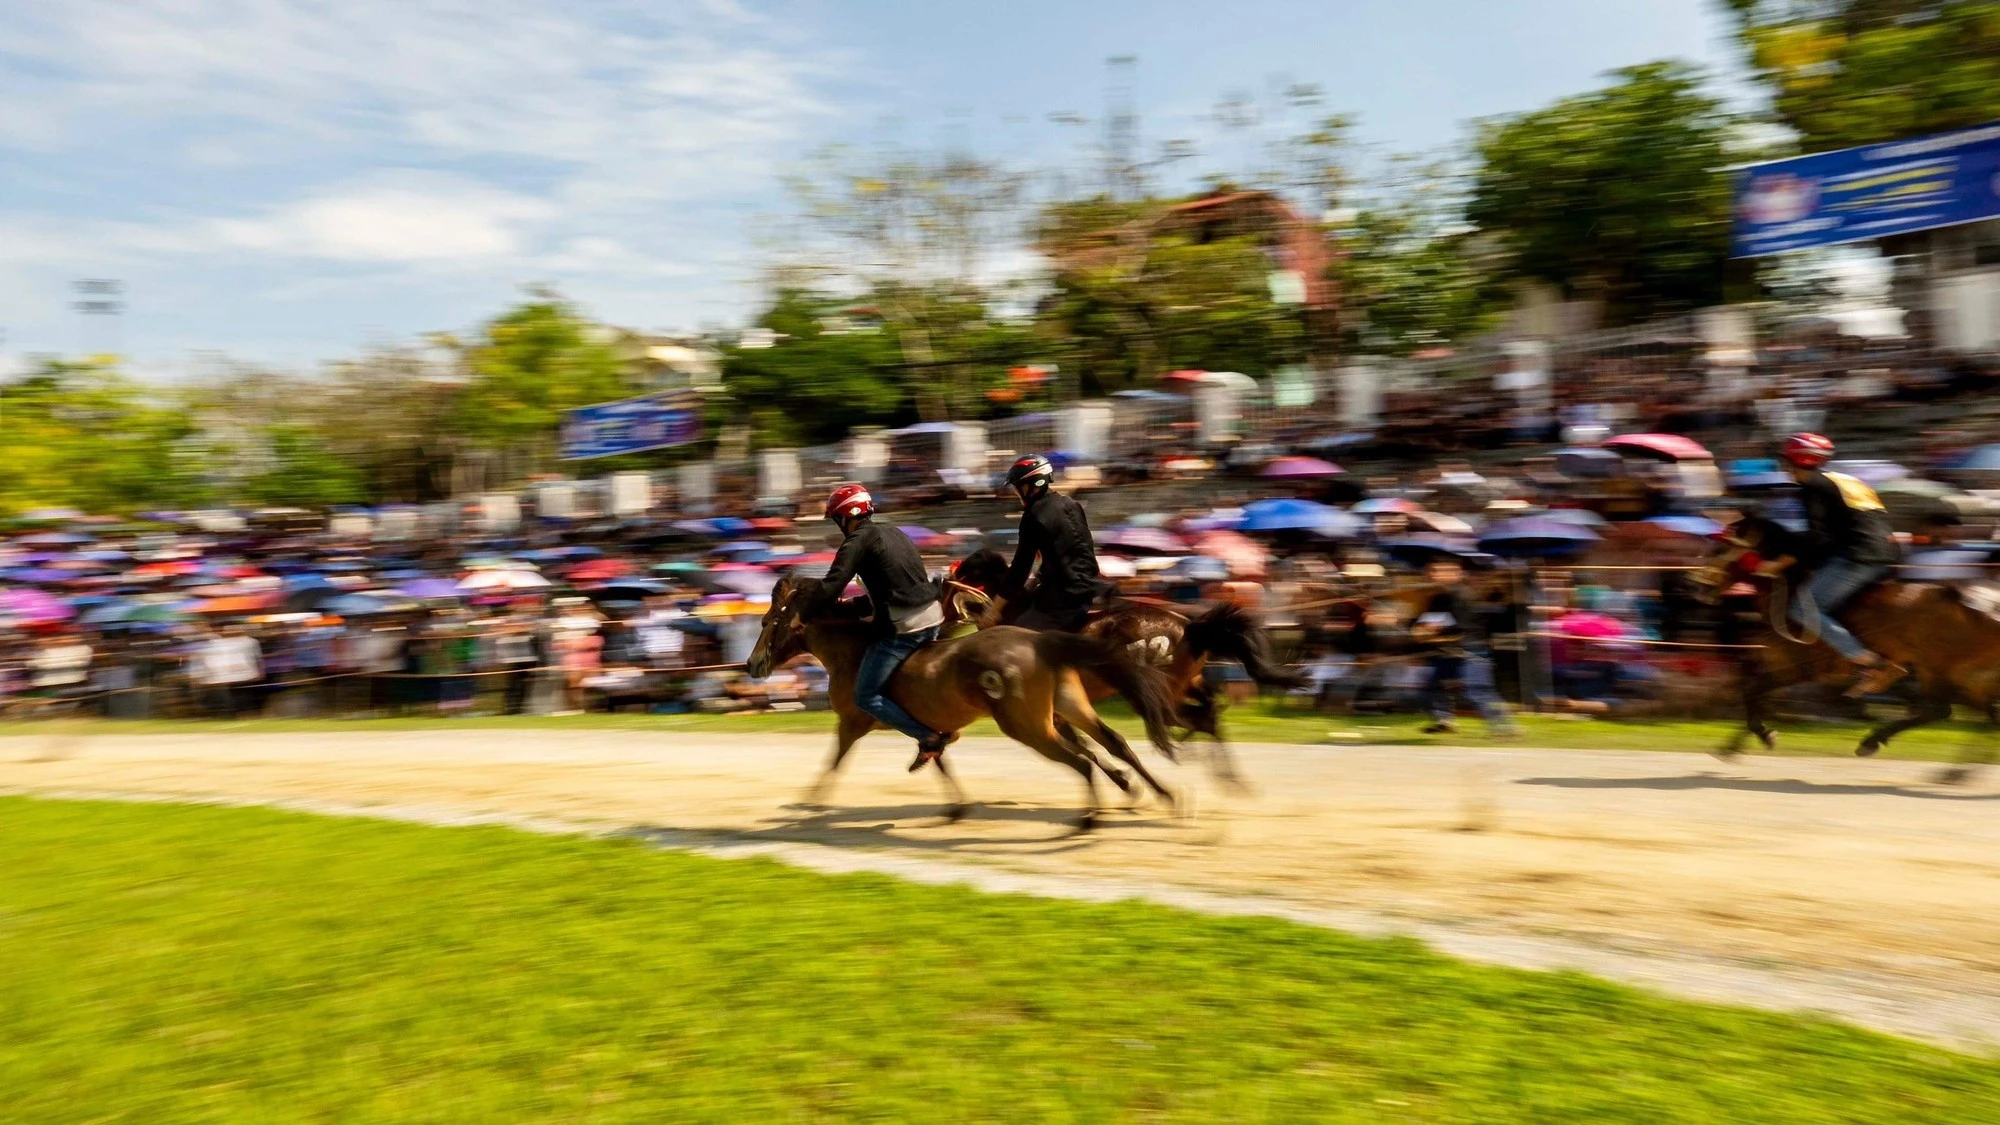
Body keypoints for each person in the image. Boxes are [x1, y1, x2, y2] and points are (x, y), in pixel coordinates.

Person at [811, 483, 952, 771]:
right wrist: (856, 606)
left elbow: (831, 586)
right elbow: (894, 587)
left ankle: (928, 738)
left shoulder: (856, 541)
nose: (838, 524)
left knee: (864, 696)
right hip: (934, 616)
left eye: (837, 518)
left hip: (907, 627)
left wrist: (806, 611)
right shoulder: (894, 532)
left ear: (846, 516)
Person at [1760, 432, 1906, 696]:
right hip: (1884, 553)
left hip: (1858, 556)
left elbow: (1818, 537)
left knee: (1803, 610)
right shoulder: (1844, 480)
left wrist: (1778, 565)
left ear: (1795, 461)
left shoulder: (1813, 486)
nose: (1784, 467)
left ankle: (1871, 664)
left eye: (1785, 461)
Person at [985, 453, 1107, 631]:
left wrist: (993, 610)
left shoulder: (1034, 515)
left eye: (1018, 487)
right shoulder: (1071, 504)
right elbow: (1076, 552)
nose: (1016, 493)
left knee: (1017, 634)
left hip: (1064, 600)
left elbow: (1020, 570)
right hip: (1091, 589)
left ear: (1031, 485)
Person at [1410, 557, 1518, 739]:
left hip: (1472, 650)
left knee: (1478, 690)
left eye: (1443, 571)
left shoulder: (1463, 596)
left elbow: (1462, 630)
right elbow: (1428, 624)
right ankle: (1444, 721)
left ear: (1457, 574)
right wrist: (1418, 630)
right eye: (1434, 571)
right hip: (1450, 651)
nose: (1436, 575)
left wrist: (1432, 636)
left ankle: (1505, 728)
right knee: (1432, 685)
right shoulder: (1438, 598)